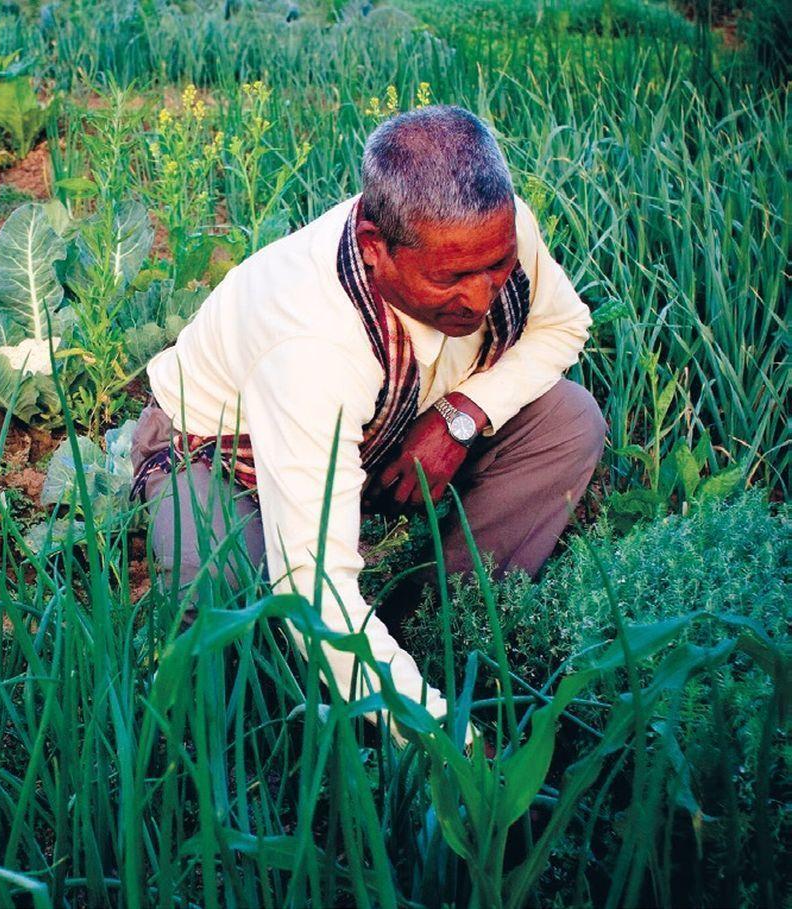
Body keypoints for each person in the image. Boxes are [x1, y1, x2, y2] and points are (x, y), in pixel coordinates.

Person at [129, 105, 607, 750]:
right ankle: (240, 742)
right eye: (452, 278)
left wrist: (465, 414)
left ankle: (435, 625)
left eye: (496, 268)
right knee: (216, 588)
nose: (483, 296)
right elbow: (311, 586)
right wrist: (447, 745)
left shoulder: (494, 231)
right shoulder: (310, 340)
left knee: (568, 420)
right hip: (224, 460)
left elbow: (562, 324)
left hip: (391, 428)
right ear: (374, 245)